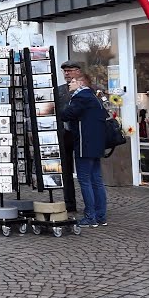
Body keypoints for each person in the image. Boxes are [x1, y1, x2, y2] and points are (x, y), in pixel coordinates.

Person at [63, 73, 108, 227]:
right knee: (96, 180)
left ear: (81, 83)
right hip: (96, 144)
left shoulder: (81, 97)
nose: (69, 83)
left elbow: (67, 114)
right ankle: (101, 215)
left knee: (85, 180)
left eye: (73, 81)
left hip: (84, 144)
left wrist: (49, 108)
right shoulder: (94, 97)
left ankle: (90, 216)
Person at [54, 61, 84, 213]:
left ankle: (89, 204)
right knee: (66, 171)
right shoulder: (59, 90)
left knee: (84, 172)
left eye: (70, 71)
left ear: (78, 71)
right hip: (64, 134)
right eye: (65, 71)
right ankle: (69, 203)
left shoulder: (86, 89)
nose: (67, 74)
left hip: (81, 134)